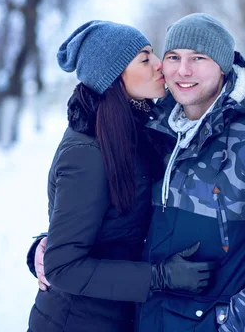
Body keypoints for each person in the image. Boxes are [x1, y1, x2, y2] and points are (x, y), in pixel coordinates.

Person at [32, 13, 245, 331]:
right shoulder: (155, 133)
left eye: (198, 58)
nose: (180, 69)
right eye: (173, 56)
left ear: (223, 66)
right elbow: (111, 224)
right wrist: (50, 246)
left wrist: (233, 324)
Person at [27, 20, 216, 332]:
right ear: (113, 77)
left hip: (118, 318)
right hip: (76, 323)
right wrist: (161, 276)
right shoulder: (88, 152)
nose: (159, 65)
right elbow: (63, 266)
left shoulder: (136, 130)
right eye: (144, 58)